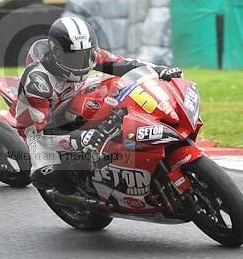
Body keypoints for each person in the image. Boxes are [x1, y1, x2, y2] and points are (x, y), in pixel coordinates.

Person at [16, 16, 183, 193]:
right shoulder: (38, 82)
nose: (81, 63)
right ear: (56, 53)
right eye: (73, 58)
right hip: (40, 125)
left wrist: (158, 69)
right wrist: (77, 139)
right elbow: (44, 133)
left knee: (120, 87)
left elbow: (124, 64)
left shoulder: (89, 55)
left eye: (85, 55)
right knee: (49, 176)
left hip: (76, 97)